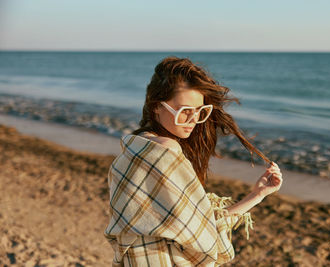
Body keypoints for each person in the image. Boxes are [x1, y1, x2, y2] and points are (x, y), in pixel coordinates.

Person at [104, 56, 283, 266]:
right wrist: (257, 196)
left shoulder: (130, 151)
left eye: (200, 111)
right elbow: (204, 234)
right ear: (156, 107)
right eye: (184, 112)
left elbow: (199, 221)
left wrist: (257, 195)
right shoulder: (166, 150)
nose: (193, 121)